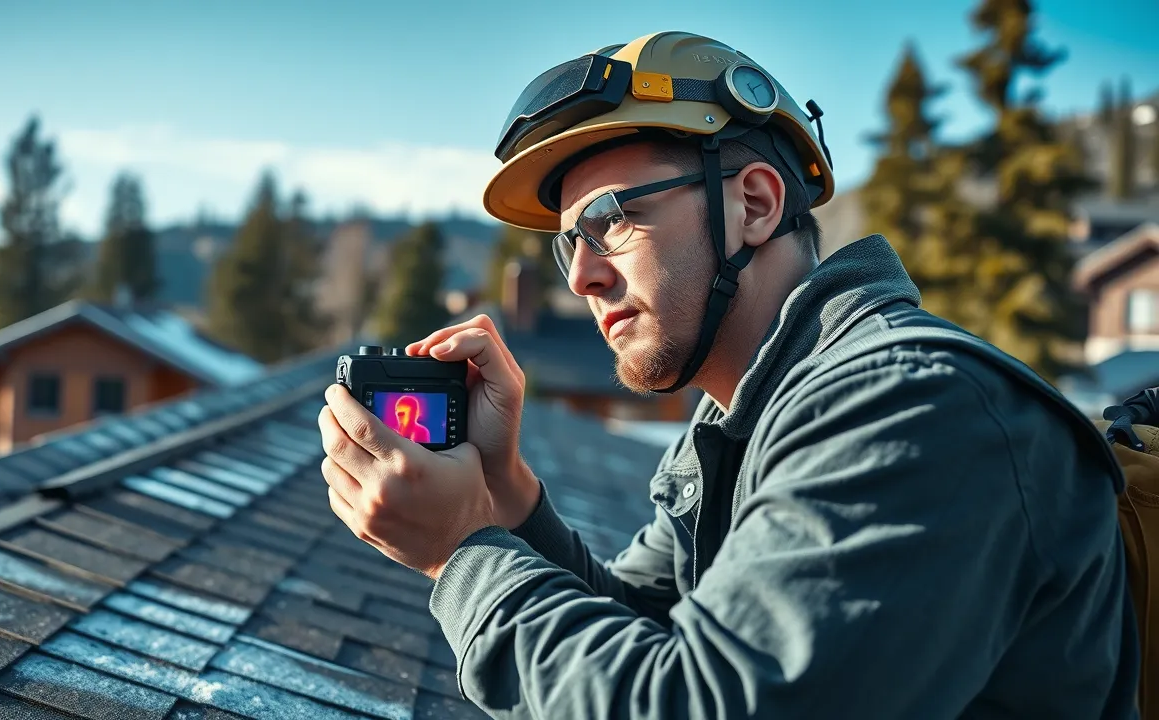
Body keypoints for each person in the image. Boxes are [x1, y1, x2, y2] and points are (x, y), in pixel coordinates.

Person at [318, 31, 1141, 718]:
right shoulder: (742, 416)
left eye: (609, 222)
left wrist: (463, 551)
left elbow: (698, 701)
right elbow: (649, 631)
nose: (582, 277)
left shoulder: (913, 408)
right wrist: (507, 498)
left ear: (752, 203)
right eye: (569, 242)